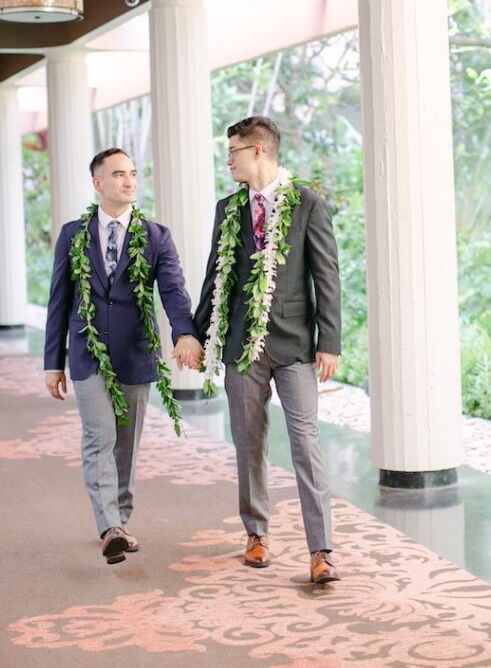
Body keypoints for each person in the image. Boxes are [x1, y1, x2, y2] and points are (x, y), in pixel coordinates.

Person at [191, 116, 342, 583]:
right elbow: (216, 277)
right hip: (242, 349)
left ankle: (321, 551)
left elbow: (326, 275)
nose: (228, 159)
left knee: (305, 445)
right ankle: (256, 535)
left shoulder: (307, 203)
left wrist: (329, 341)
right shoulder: (227, 208)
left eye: (233, 151)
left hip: (295, 344)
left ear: (258, 151)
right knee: (249, 442)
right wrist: (196, 334)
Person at [44, 148, 200, 564]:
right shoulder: (72, 234)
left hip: (134, 352)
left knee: (125, 445)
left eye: (132, 173)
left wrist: (185, 333)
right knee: (100, 436)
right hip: (87, 352)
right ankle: (109, 524)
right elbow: (59, 299)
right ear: (98, 183)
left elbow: (173, 290)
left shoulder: (155, 236)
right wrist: (51, 361)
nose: (128, 181)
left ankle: (121, 521)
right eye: (118, 175)